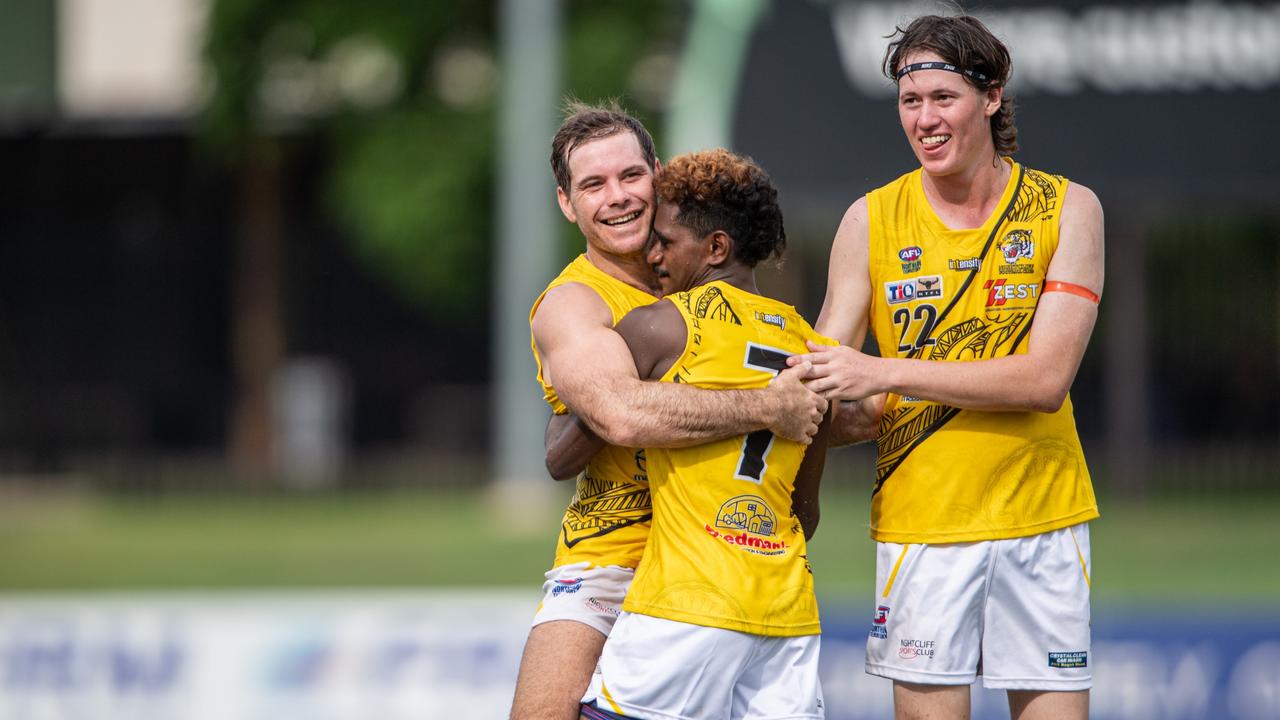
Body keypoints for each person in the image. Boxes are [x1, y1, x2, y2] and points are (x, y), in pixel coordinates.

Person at [789, 14, 1104, 720]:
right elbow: (821, 385)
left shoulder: (1068, 209)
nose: (924, 119)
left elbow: (1044, 381)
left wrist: (886, 374)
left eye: (943, 98)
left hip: (1042, 519)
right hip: (920, 529)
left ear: (991, 96)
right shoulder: (869, 220)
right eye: (910, 101)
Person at [511, 102, 829, 720]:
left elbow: (833, 417)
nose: (618, 197)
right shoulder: (575, 304)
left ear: (657, 173)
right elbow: (616, 420)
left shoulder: (704, 285)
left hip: (723, 558)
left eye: (630, 176)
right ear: (566, 203)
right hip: (609, 558)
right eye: (592, 185)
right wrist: (771, 405)